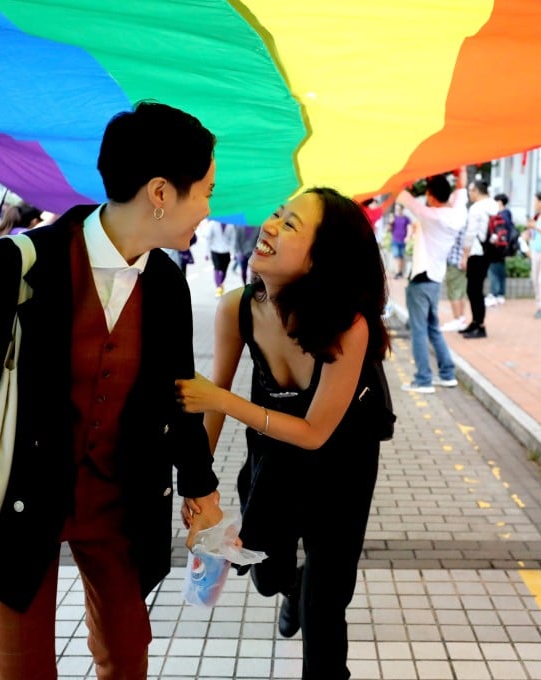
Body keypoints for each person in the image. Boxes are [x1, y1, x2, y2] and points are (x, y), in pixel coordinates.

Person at [0, 102, 224, 680]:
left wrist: (201, 489)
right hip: (20, 497)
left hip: (121, 500)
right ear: (160, 192)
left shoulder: (166, 281)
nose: (209, 206)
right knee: (20, 668)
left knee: (127, 656)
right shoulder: (9, 267)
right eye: (205, 190)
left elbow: (178, 394)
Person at [175, 187, 390, 679]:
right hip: (275, 456)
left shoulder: (347, 325)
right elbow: (213, 406)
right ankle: (291, 587)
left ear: (320, 259)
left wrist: (223, 401)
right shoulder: (238, 309)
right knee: (266, 575)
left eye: (290, 225)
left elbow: (314, 432)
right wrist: (198, 487)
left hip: (343, 461)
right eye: (275, 214)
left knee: (326, 603)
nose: (269, 226)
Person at [397, 174, 466, 393]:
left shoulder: (431, 215)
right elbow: (462, 188)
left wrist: (400, 178)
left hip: (421, 278)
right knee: (432, 329)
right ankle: (446, 374)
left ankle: (423, 380)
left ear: (430, 195)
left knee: (419, 331)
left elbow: (403, 197)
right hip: (435, 278)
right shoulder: (458, 213)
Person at [460, 181, 497, 338]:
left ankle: (479, 326)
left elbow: (470, 234)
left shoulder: (476, 208)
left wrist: (465, 256)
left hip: (476, 253)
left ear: (476, 191)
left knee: (473, 290)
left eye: (470, 190)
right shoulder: (494, 205)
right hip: (488, 252)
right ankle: (475, 322)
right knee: (476, 289)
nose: (469, 194)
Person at [485, 193, 515, 307]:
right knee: (500, 270)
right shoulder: (508, 214)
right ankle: (501, 294)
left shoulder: (500, 215)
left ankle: (494, 294)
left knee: (493, 270)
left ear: (500, 202)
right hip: (504, 246)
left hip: (496, 247)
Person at [202, 216, 233, 296]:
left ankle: (220, 283)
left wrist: (234, 252)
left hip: (226, 251)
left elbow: (233, 239)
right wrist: (206, 253)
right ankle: (218, 287)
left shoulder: (230, 225)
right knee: (217, 268)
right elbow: (207, 238)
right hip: (215, 250)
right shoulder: (212, 224)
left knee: (224, 270)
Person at [388, 203, 410, 278]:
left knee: (401, 256)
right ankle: (397, 272)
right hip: (395, 239)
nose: (397, 210)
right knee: (396, 256)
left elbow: (409, 228)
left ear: (402, 209)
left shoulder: (406, 218)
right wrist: (390, 223)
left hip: (403, 240)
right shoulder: (393, 218)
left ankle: (400, 272)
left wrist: (408, 237)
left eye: (399, 209)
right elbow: (389, 230)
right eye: (396, 209)